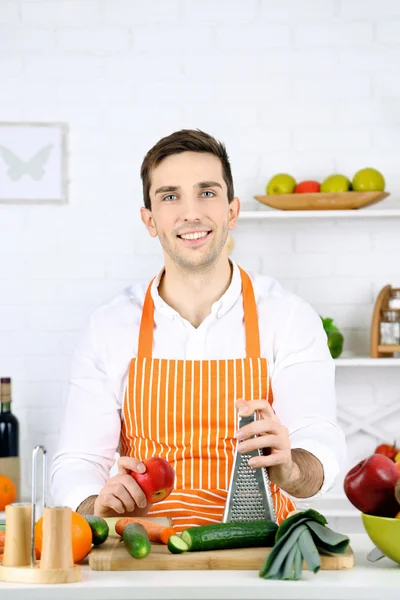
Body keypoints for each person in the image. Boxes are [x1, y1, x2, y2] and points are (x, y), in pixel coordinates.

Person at [50, 129, 346, 531]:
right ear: (149, 220)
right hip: (146, 554)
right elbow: (77, 462)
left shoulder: (289, 317)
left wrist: (291, 468)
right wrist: (97, 506)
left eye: (206, 193)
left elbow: (320, 443)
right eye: (170, 196)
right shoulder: (108, 327)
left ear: (232, 211)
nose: (191, 213)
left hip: (262, 553)